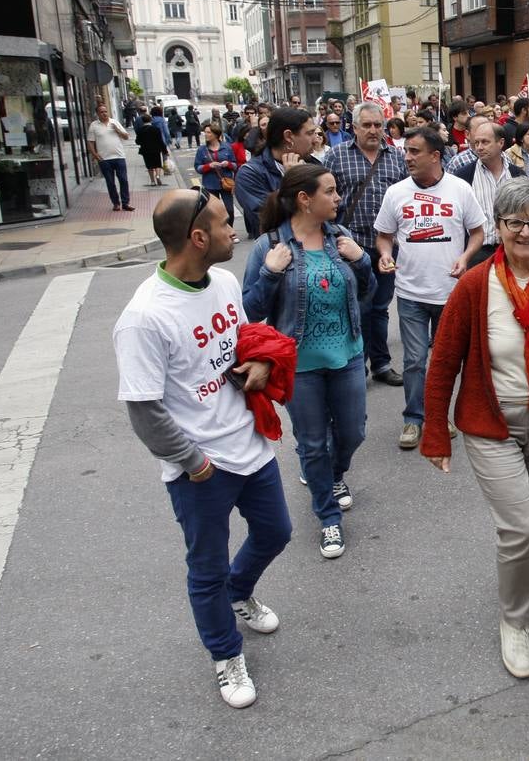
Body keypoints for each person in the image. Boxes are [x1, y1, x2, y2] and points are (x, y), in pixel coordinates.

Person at [113, 188, 291, 708]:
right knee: (207, 569)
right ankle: (226, 655)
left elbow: (242, 343)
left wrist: (261, 364)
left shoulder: (226, 283)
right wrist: (194, 464)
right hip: (201, 468)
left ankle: (239, 593)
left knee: (276, 532)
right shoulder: (144, 317)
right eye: (222, 223)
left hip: (248, 443)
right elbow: (144, 412)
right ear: (197, 237)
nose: (233, 230)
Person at [421, 178, 529, 679]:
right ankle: (513, 622)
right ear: (498, 226)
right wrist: (434, 431)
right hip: (491, 424)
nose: (526, 232)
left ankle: (525, 594)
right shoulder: (475, 285)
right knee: (521, 527)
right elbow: (443, 361)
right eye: (515, 222)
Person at [242, 164, 371, 561]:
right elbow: (250, 310)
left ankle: (333, 476)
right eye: (329, 191)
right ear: (304, 199)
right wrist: (270, 272)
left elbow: (367, 291)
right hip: (299, 364)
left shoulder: (340, 237)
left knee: (353, 433)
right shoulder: (269, 247)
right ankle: (328, 515)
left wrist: (362, 260)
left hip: (348, 354)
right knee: (313, 444)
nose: (338, 198)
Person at [373, 126, 486, 450]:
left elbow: (478, 232)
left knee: (445, 361)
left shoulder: (460, 189)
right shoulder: (396, 193)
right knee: (414, 360)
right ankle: (413, 418)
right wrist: (385, 254)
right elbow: (384, 236)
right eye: (406, 151)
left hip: (450, 292)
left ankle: (438, 416)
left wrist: (465, 257)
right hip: (411, 293)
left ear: (435, 156)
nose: (407, 157)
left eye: (414, 151)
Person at [324, 102, 408, 387]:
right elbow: (324, 197)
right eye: (367, 125)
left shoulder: (397, 157)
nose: (373, 130)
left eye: (378, 125)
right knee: (356, 307)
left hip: (387, 247)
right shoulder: (335, 156)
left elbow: (406, 199)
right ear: (355, 127)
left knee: (381, 307)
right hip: (350, 245)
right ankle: (357, 364)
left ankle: (382, 364)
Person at [456, 121, 528, 266]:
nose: (479, 147)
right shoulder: (463, 176)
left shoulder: (517, 175)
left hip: (512, 250)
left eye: (485, 142)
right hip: (477, 254)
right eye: (476, 143)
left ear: (500, 143)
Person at [235, 108, 315, 233]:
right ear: (288, 136)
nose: (315, 140)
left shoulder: (313, 163)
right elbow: (266, 221)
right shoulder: (250, 174)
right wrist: (291, 182)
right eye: (310, 133)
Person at [88, 103, 135, 213]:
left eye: (105, 111)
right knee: (110, 182)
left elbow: (126, 137)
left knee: (123, 180)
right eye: (101, 112)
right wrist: (95, 154)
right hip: (104, 159)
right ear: (97, 114)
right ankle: (116, 203)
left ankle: (125, 203)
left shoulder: (114, 122)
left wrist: (117, 130)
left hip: (119, 156)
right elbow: (90, 142)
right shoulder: (94, 126)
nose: (104, 114)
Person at [195, 122, 239, 224]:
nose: (206, 134)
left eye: (208, 132)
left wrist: (227, 164)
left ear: (215, 134)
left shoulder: (227, 147)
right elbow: (198, 167)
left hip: (226, 184)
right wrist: (209, 166)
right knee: (213, 212)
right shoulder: (202, 150)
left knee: (229, 210)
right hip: (210, 184)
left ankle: (229, 229)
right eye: (205, 132)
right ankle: (216, 230)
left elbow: (235, 165)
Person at [138, 107, 170, 187]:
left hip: (145, 150)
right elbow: (160, 141)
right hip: (156, 149)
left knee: (149, 166)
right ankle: (158, 176)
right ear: (150, 120)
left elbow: (137, 141)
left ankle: (152, 181)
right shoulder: (156, 129)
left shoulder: (140, 130)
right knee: (157, 164)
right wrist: (165, 151)